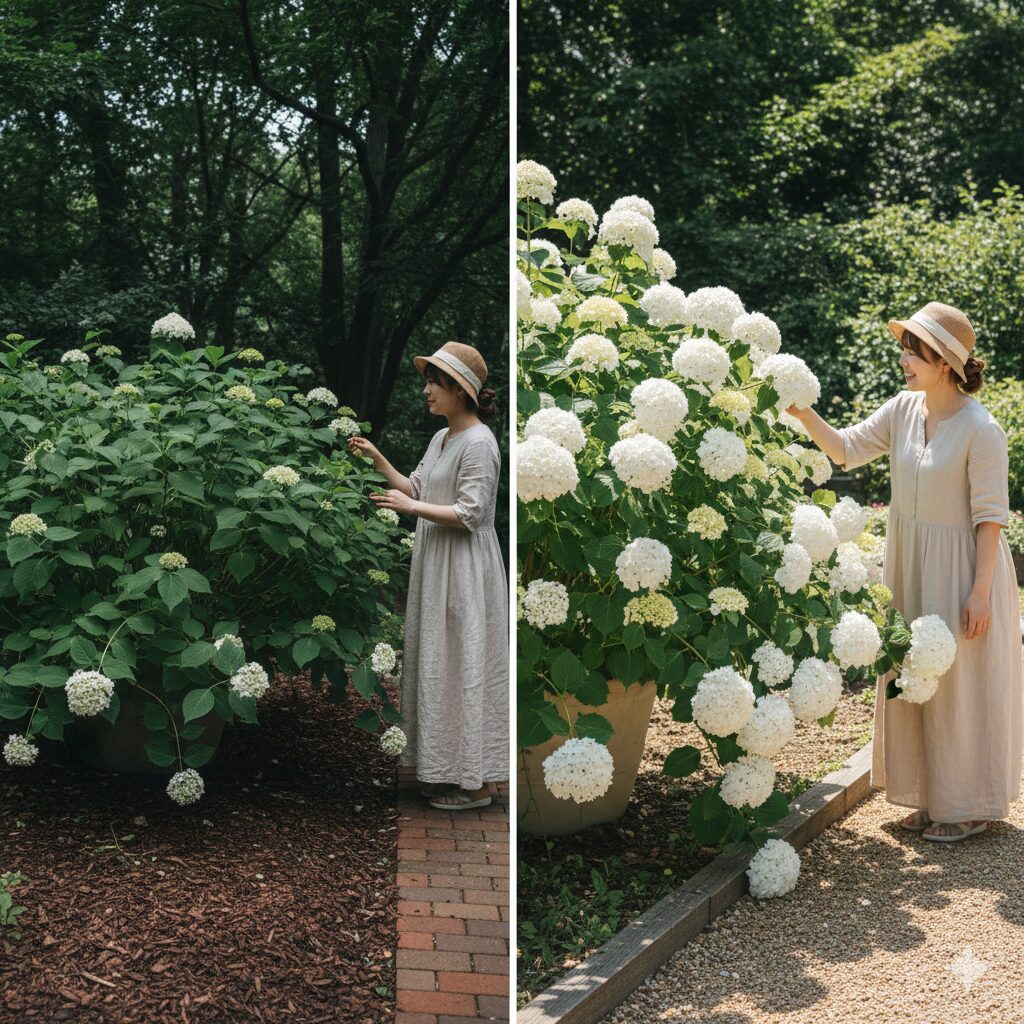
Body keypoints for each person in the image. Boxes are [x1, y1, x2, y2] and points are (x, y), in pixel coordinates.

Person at [787, 302, 1021, 842]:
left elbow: (991, 520)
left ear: (944, 362)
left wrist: (980, 592)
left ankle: (966, 805)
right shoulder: (903, 409)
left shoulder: (982, 430)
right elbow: (846, 450)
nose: (904, 359)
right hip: (910, 566)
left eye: (914, 351)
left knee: (960, 686)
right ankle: (929, 796)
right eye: (906, 348)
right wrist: (803, 415)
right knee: (912, 675)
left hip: (964, 570)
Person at [347, 341, 508, 810]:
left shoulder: (480, 442)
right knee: (442, 664)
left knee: (465, 666)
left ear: (460, 390)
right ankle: (448, 770)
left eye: (435, 382)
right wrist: (378, 458)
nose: (426, 390)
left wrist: (411, 508)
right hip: (437, 563)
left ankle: (476, 784)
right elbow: (416, 486)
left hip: (464, 570)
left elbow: (473, 513)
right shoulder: (442, 439)